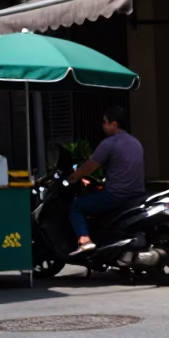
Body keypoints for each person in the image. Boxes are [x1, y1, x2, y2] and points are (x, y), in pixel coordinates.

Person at [66, 106, 145, 252]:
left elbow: (90, 166)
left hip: (116, 195)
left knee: (77, 207)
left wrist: (74, 176)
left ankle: (84, 241)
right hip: (137, 195)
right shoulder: (136, 143)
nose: (103, 126)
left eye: (105, 122)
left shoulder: (109, 143)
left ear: (114, 124)